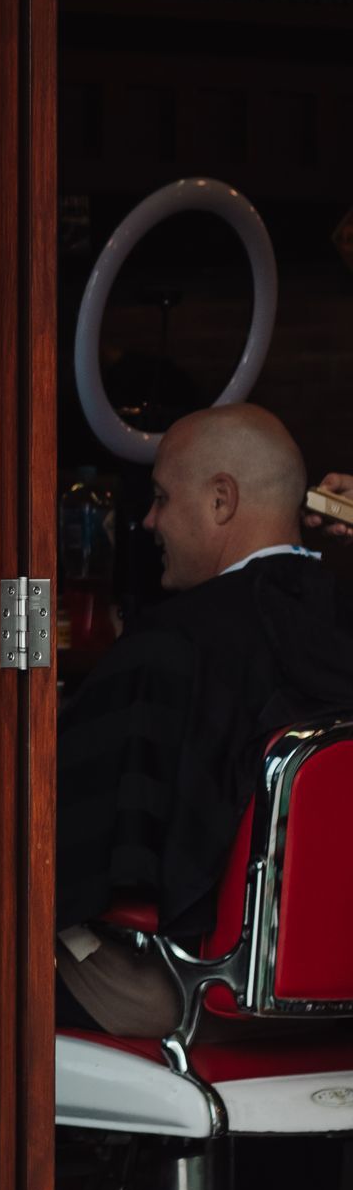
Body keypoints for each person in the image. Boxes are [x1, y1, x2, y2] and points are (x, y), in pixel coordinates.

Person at [56, 402, 353, 1034]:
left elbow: (72, 859)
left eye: (161, 497)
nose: (147, 520)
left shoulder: (172, 648)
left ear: (222, 500)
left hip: (193, 997)